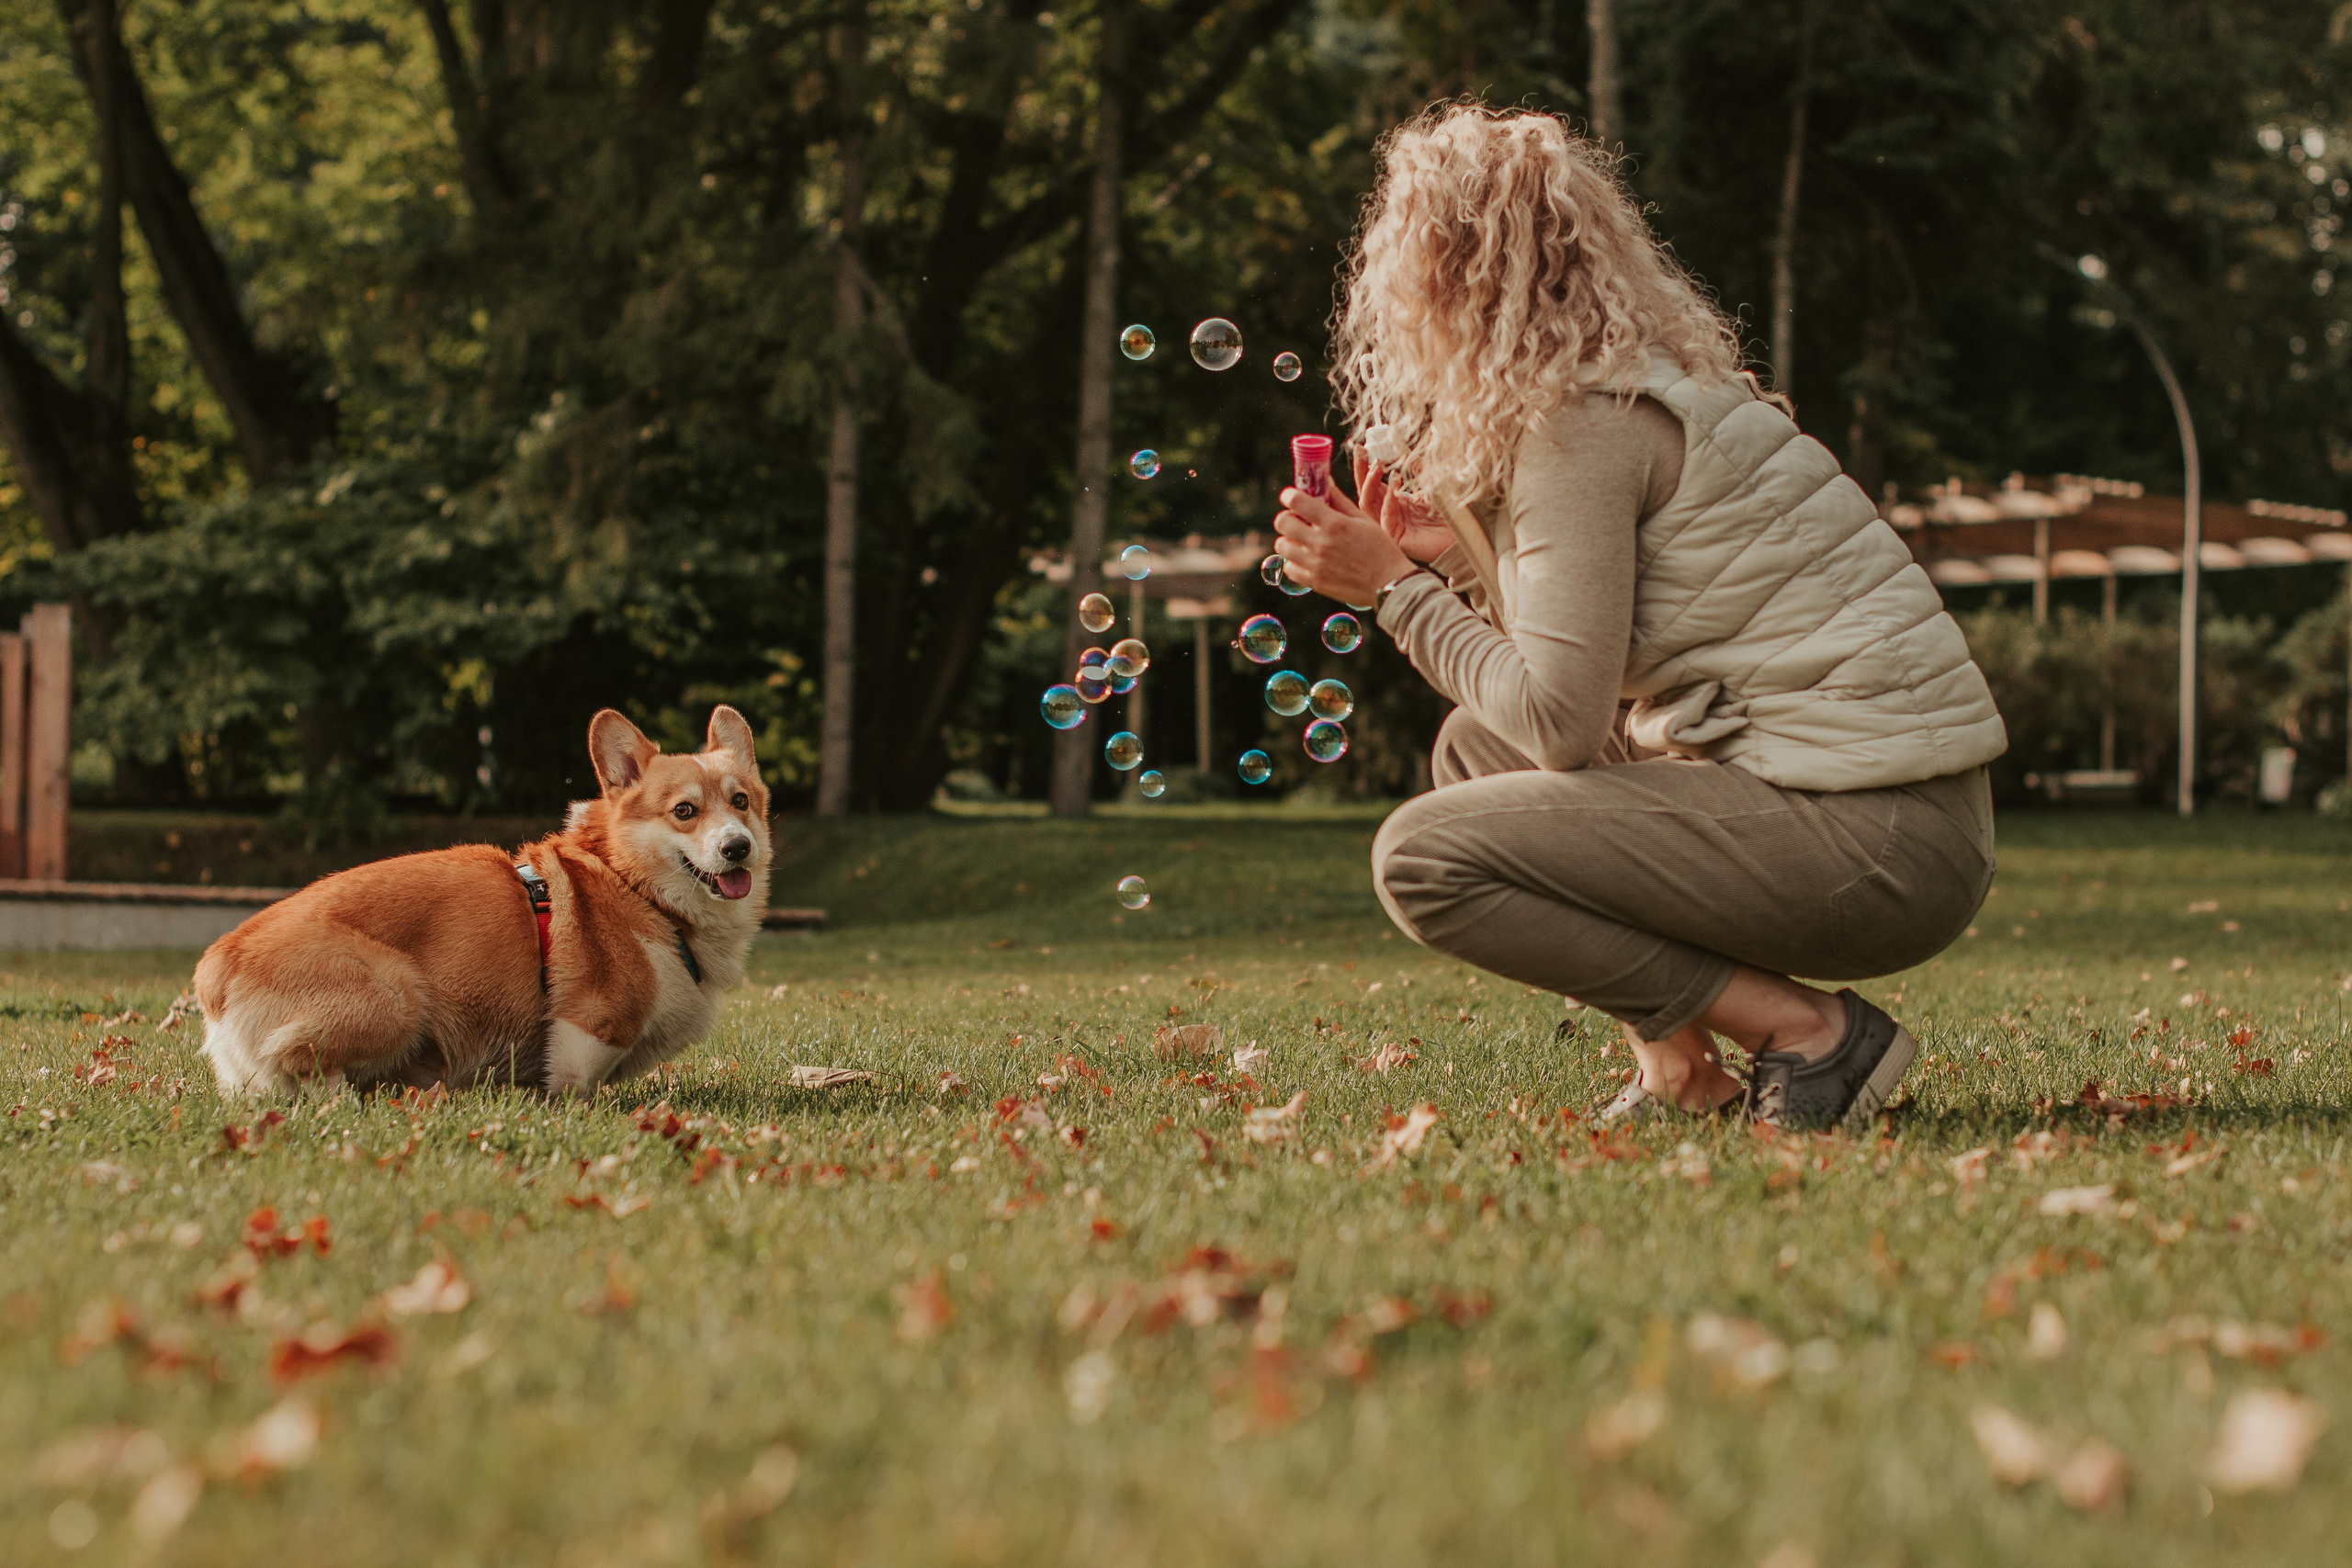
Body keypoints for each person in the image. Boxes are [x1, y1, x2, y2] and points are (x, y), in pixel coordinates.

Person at [1270, 105, 2006, 1129]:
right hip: (1889, 821)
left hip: (1879, 847)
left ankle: (1810, 1035)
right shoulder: (1624, 394)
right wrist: (1455, 559)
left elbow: (1563, 720)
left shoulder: (1581, 426)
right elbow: (1557, 692)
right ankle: (1681, 1072)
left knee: (1423, 859)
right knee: (1479, 749)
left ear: (1439, 277)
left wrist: (1394, 589)